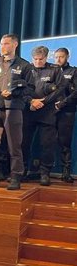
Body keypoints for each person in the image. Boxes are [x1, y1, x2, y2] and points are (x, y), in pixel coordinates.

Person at [0, 34, 33, 190]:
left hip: (13, 109)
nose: (3, 46)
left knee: (14, 145)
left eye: (6, 43)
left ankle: (15, 177)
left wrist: (15, 92)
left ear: (15, 45)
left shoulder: (24, 65)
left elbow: (30, 88)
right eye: (1, 44)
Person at [23, 46, 65, 186]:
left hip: (47, 112)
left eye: (41, 59)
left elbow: (60, 89)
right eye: (35, 59)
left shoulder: (55, 69)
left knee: (46, 144)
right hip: (29, 110)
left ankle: (45, 173)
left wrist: (44, 102)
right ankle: (22, 171)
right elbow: (22, 88)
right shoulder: (27, 68)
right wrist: (31, 101)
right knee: (24, 143)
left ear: (47, 58)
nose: (38, 62)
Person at [53, 48, 76, 182]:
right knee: (47, 141)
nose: (58, 60)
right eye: (56, 57)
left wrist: (62, 103)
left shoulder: (73, 71)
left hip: (67, 111)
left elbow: (75, 93)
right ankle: (43, 171)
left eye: (61, 57)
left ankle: (66, 172)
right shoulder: (52, 71)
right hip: (50, 111)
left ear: (67, 57)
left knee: (64, 142)